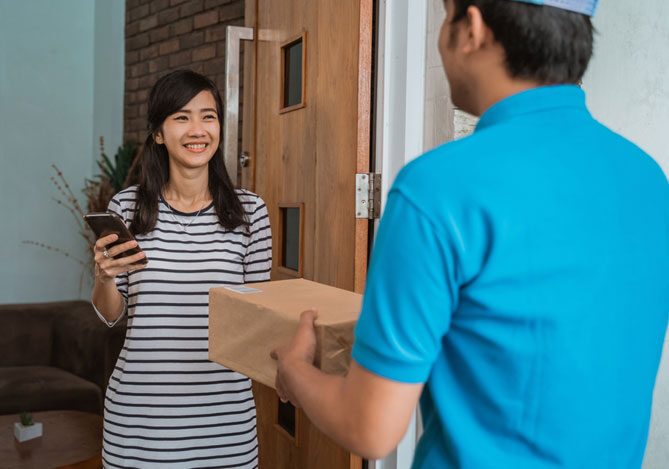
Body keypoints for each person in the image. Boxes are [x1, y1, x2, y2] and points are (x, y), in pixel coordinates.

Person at [271, 1, 669, 468]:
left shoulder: (437, 187)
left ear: (472, 28)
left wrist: (294, 370)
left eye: (445, 16)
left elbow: (370, 429)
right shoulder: (647, 179)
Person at [92, 70, 271, 468]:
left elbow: (263, 316)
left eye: (208, 116)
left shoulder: (250, 213)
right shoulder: (127, 208)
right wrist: (104, 278)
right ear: (158, 133)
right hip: (138, 421)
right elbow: (110, 314)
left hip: (225, 422)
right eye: (182, 116)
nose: (198, 129)